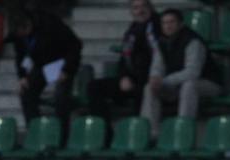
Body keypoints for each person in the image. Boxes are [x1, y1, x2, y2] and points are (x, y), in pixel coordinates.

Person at [140, 9, 221, 138]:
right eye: (164, 23)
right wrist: (155, 78)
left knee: (189, 85)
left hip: (208, 83)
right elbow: (157, 66)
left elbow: (193, 72)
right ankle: (150, 133)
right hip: (177, 84)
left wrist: (165, 81)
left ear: (181, 24)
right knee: (150, 88)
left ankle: (183, 132)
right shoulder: (161, 42)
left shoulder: (193, 41)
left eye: (171, 22)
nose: (168, 26)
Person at [8, 9, 83, 145]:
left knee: (61, 96)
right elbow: (20, 56)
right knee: (26, 92)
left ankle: (61, 137)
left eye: (23, 32)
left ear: (28, 25)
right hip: (42, 65)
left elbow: (75, 45)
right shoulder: (18, 35)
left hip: (62, 63)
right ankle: (36, 132)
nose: (21, 36)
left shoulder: (50, 24)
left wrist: (66, 70)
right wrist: (22, 76)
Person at [87, 0, 158, 134]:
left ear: (151, 8)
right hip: (131, 79)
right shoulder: (132, 30)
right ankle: (104, 133)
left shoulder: (158, 28)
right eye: (136, 8)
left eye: (143, 6)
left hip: (150, 79)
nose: (140, 11)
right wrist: (124, 77)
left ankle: (139, 134)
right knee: (94, 86)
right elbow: (124, 58)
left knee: (142, 91)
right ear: (131, 12)